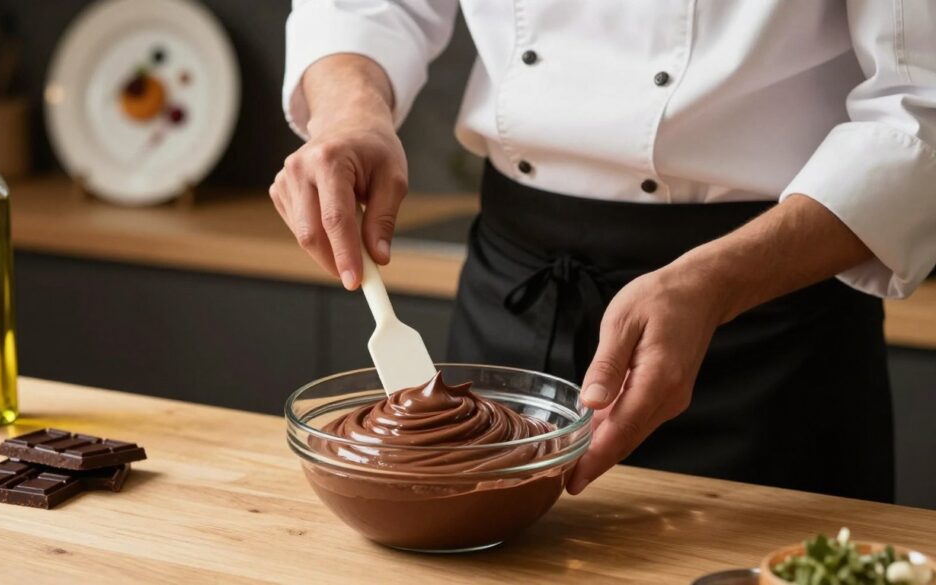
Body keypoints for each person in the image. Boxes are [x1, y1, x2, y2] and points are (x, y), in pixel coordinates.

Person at [271, 1, 936, 502]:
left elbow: (919, 113)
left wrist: (717, 282)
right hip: (510, 294)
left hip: (763, 323)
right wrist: (351, 113)